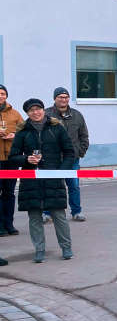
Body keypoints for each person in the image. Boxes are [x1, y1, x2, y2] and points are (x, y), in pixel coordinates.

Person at [8, 98, 74, 262]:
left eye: (38, 109)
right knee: (35, 217)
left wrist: (61, 172)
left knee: (59, 215)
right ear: (27, 113)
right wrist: (26, 159)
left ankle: (66, 248)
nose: (35, 112)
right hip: (31, 181)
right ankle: (39, 250)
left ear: (44, 110)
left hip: (53, 177)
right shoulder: (23, 131)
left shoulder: (56, 127)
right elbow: (13, 157)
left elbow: (69, 152)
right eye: (31, 110)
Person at [44, 87, 89, 221]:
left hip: (72, 159)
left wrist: (80, 152)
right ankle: (47, 213)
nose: (63, 99)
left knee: (74, 185)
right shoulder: (46, 114)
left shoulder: (77, 115)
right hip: (53, 159)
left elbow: (84, 136)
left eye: (66, 97)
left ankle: (76, 211)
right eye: (60, 97)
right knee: (51, 185)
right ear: (55, 98)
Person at [0, 84, 24, 237]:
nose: (0, 96)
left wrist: (15, 135)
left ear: (6, 96)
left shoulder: (15, 114)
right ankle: (0, 226)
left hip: (11, 159)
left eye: (2, 93)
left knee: (9, 193)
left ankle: (9, 223)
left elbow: (24, 131)